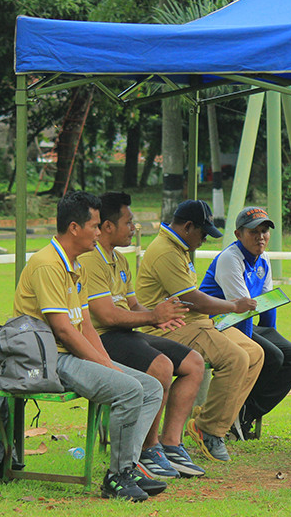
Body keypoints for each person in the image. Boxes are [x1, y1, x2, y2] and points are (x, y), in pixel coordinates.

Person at [13, 191, 164, 502]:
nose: (99, 232)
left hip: (69, 353)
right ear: (74, 228)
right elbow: (64, 331)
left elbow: (84, 325)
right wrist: (104, 366)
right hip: (47, 358)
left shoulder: (76, 264)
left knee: (150, 387)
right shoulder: (47, 264)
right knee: (129, 389)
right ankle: (116, 478)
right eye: (95, 226)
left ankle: (128, 467)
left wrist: (105, 361)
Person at [79, 191, 206, 479]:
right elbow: (106, 316)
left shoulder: (120, 261)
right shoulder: (91, 261)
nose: (133, 228)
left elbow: (133, 305)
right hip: (103, 336)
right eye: (129, 222)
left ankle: (171, 444)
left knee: (193, 363)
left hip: (126, 332)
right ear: (108, 226)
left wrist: (160, 316)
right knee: (161, 365)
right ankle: (149, 448)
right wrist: (152, 316)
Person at [136, 199, 263, 463]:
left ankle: (210, 422)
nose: (204, 239)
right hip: (171, 327)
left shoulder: (178, 247)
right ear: (188, 227)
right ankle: (209, 431)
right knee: (236, 358)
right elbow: (194, 299)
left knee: (255, 352)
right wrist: (233, 306)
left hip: (198, 322)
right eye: (203, 233)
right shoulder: (166, 251)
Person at [199, 206, 291, 439]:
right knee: (273, 356)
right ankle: (234, 410)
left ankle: (246, 412)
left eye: (265, 231)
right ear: (238, 234)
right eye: (253, 232)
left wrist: (272, 334)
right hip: (220, 323)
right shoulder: (230, 258)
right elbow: (242, 311)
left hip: (243, 321)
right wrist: (255, 347)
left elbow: (267, 302)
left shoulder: (263, 258)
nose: (261, 237)